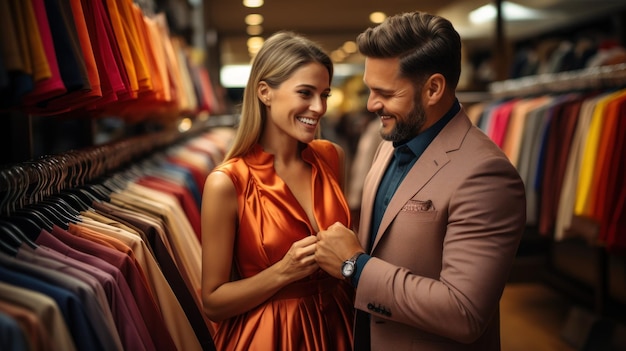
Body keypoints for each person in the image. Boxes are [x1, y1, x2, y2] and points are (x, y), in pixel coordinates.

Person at [315, 11, 527, 351]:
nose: (371, 104)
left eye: (384, 92)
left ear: (433, 88)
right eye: (370, 90)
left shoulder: (486, 175)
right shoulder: (389, 144)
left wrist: (354, 266)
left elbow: (464, 312)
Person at [200, 31, 354, 350]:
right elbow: (213, 301)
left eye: (324, 94)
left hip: (339, 328)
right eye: (305, 93)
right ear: (265, 92)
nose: (319, 107)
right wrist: (283, 272)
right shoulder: (227, 182)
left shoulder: (332, 157)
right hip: (272, 335)